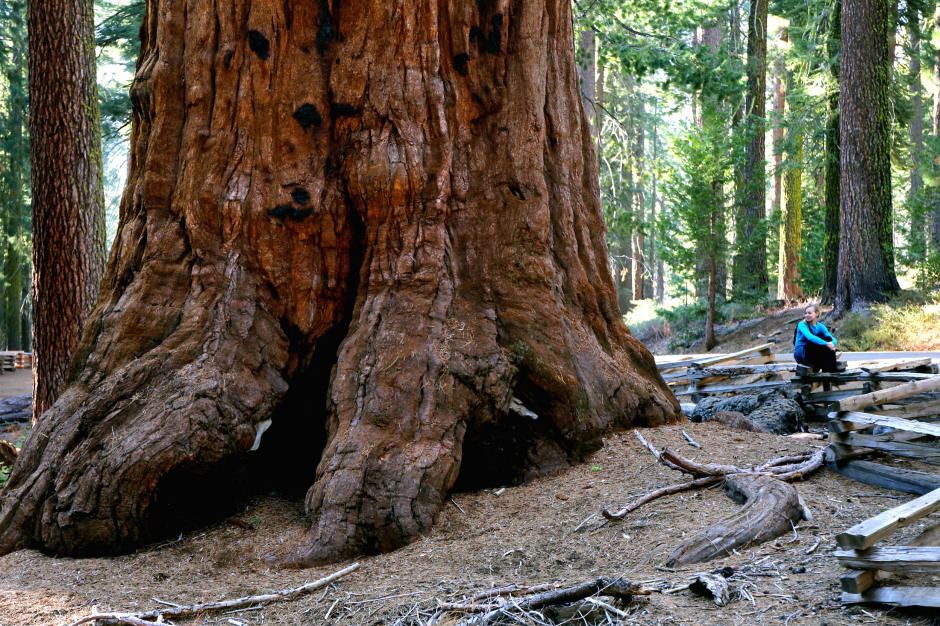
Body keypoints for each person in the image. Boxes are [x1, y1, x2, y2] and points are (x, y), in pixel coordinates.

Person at [793, 304, 842, 372]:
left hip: (813, 353)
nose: (807, 315)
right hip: (801, 353)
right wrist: (826, 344)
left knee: (827, 338)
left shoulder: (820, 326)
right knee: (820, 337)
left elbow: (832, 338)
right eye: (806, 313)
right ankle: (831, 366)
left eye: (809, 313)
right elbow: (810, 337)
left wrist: (832, 343)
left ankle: (831, 366)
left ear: (817, 313)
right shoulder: (802, 324)